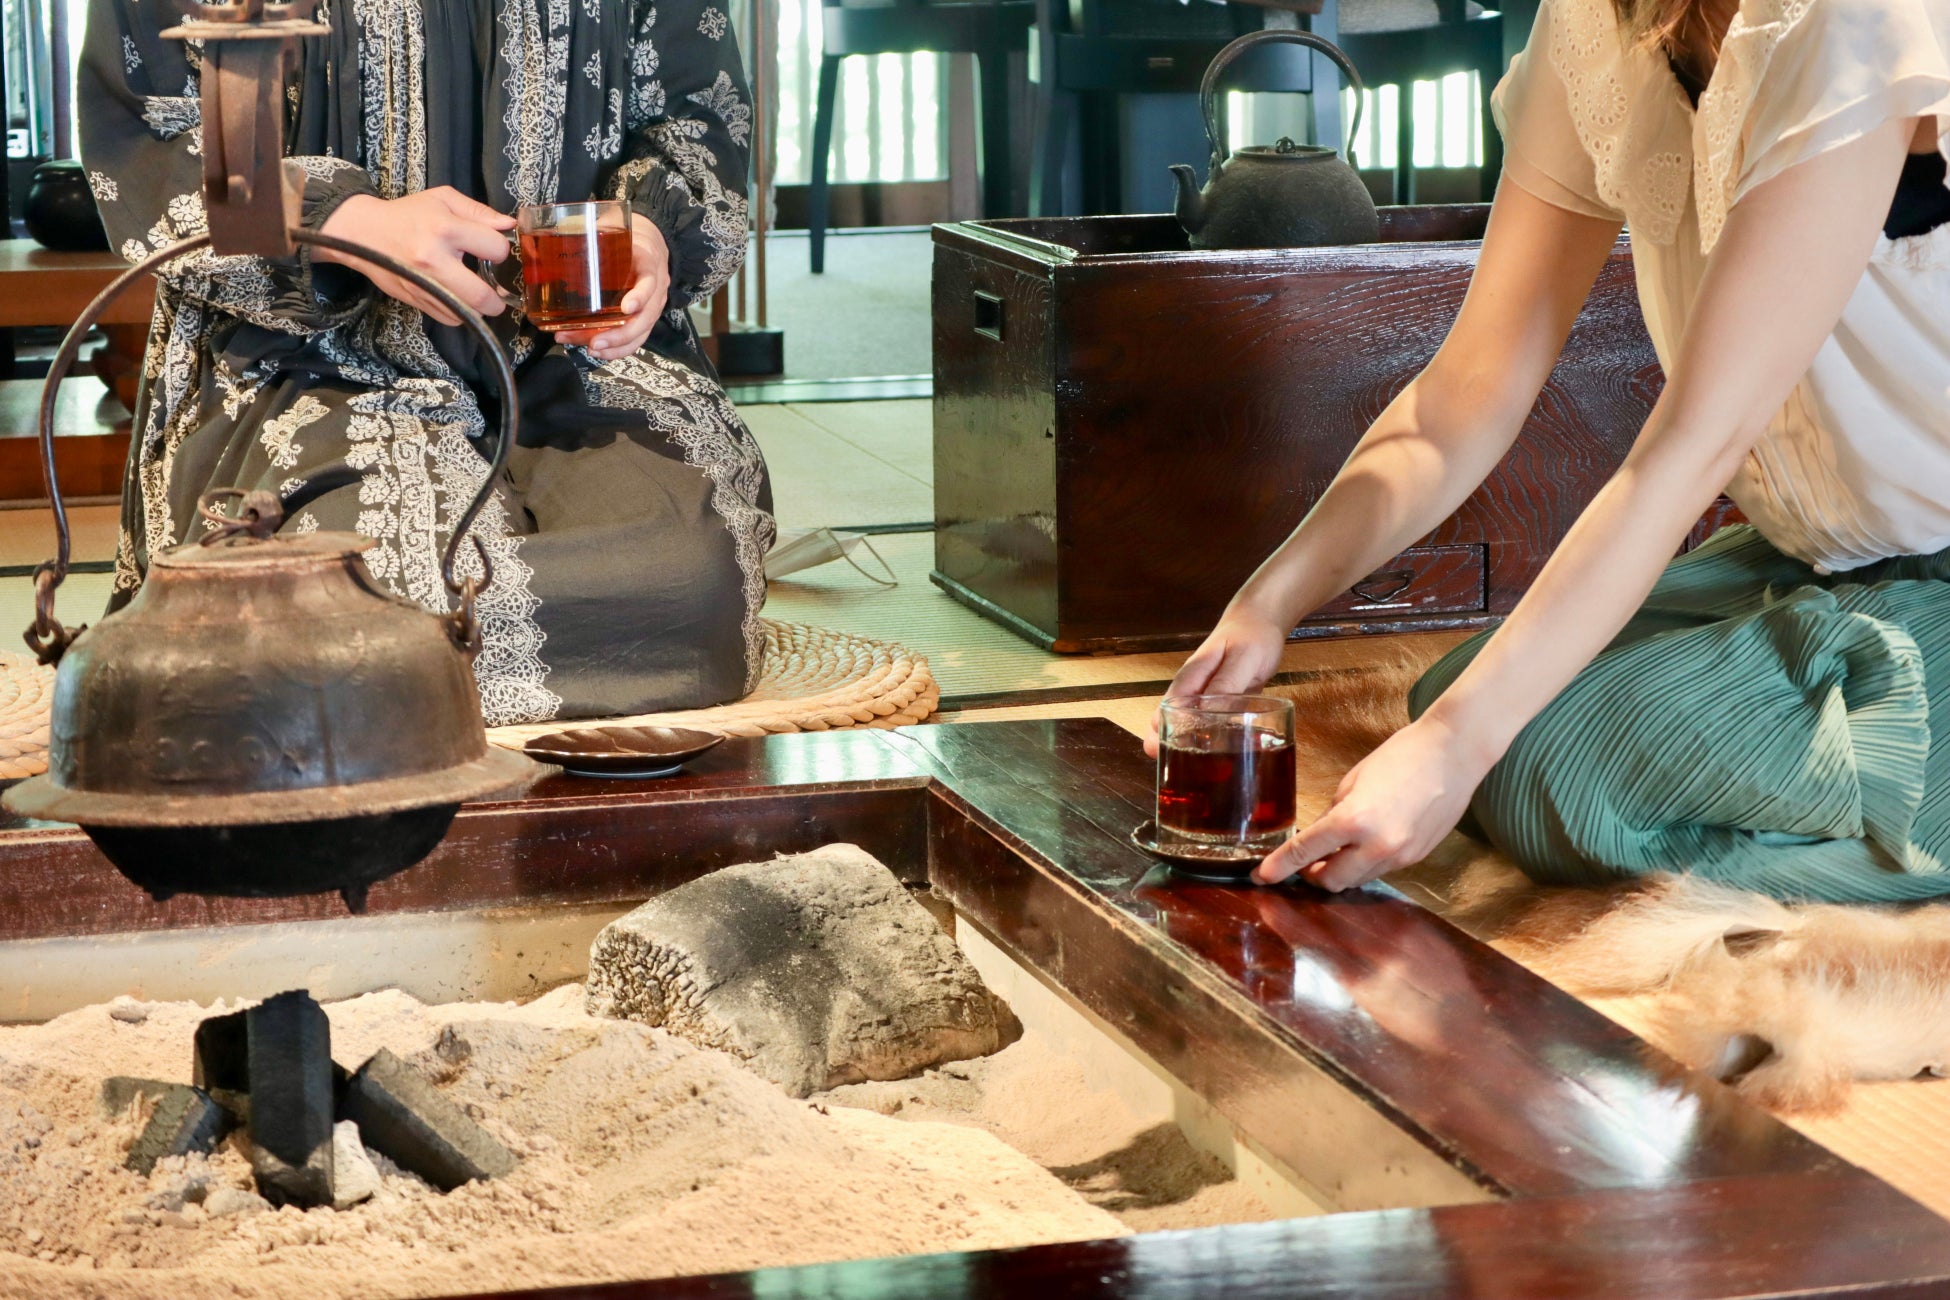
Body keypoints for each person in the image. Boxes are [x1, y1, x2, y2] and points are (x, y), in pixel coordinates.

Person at [1166, 0, 1950, 902]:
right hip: (1819, 560)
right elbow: (1470, 386)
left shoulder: (1851, 16)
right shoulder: (1597, 26)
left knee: (1546, 771)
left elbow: (1696, 442)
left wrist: (1460, 743)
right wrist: (1268, 605)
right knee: (1454, 698)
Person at [77, 0, 776, 727]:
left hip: (580, 349)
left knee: (690, 582)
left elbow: (698, 118)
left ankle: (379, 689)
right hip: (314, 356)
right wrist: (345, 223)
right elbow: (151, 129)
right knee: (359, 602)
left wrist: (651, 231)